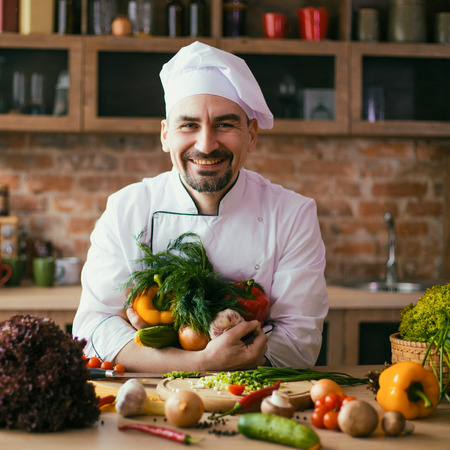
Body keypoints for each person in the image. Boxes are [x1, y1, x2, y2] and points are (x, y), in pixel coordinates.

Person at [72, 41, 328, 372]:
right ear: (166, 135)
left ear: (251, 134)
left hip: (249, 398)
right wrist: (202, 360)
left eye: (224, 124)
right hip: (150, 397)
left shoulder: (292, 215)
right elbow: (94, 330)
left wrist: (160, 343)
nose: (206, 145)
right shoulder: (127, 209)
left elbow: (299, 342)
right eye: (188, 125)